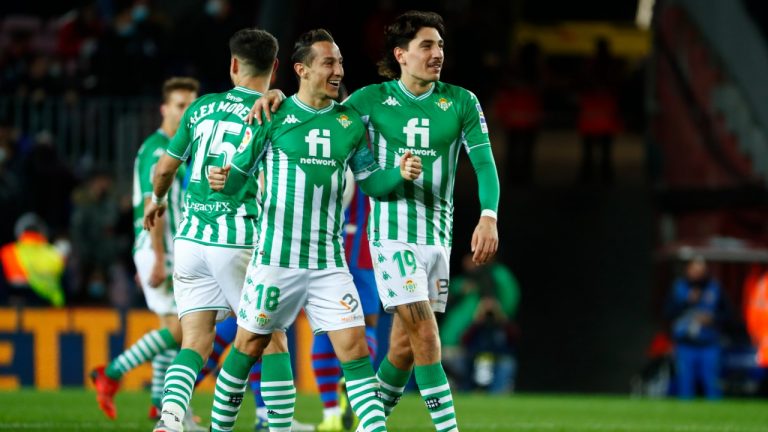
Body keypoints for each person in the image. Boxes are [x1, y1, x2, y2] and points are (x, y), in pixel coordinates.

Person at [248, 12, 500, 430]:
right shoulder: (368, 100)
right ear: (401, 55)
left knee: (402, 347)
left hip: (438, 235)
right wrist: (275, 97)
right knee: (423, 333)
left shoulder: (461, 101)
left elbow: (485, 165)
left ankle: (367, 421)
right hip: (390, 235)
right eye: (426, 46)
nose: (437, 54)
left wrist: (488, 216)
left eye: (439, 45)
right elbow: (316, 113)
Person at [207, 28, 422, 432]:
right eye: (329, 62)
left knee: (355, 349)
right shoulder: (273, 115)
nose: (338, 69)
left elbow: (372, 183)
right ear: (302, 70)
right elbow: (238, 181)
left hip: (328, 263)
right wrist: (226, 180)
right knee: (249, 346)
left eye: (340, 61)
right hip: (275, 260)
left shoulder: (350, 123)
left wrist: (400, 174)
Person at [143, 28, 279, 432]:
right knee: (269, 337)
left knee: (195, 341)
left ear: (234, 65)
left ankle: (169, 421)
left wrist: (158, 199)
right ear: (274, 67)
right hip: (239, 237)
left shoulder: (201, 108)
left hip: (190, 240)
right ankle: (274, 422)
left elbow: (165, 168)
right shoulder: (276, 111)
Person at [89, 77, 201, 428]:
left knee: (171, 326)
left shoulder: (176, 146)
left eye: (191, 106)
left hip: (162, 247)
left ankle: (158, 403)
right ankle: (110, 372)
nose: (186, 112)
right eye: (180, 106)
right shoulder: (159, 150)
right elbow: (157, 203)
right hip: (161, 245)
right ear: (164, 109)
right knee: (184, 330)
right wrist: (156, 257)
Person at [315, 180, 381, 431]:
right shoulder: (367, 148)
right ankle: (350, 379)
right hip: (360, 245)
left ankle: (330, 413)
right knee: (368, 323)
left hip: (328, 244)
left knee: (322, 325)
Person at [665, 256, 729, 399]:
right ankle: (684, 418)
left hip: (709, 344)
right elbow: (667, 313)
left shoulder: (714, 288)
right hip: (685, 344)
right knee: (685, 383)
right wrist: (686, 301)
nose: (697, 274)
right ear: (688, 270)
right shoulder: (679, 288)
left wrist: (713, 318)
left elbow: (728, 314)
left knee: (712, 383)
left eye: (701, 270)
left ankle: (716, 417)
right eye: (694, 270)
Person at [0, 212, 65, 307]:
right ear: (43, 232)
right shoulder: (55, 254)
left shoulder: (7, 252)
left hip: (13, 307)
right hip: (50, 309)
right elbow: (67, 285)